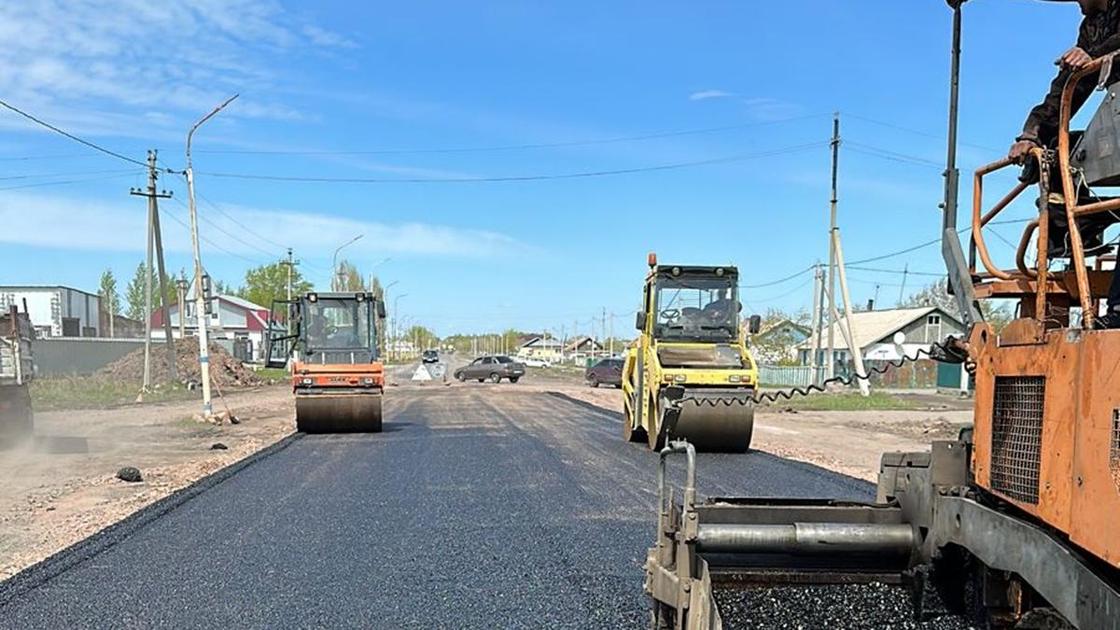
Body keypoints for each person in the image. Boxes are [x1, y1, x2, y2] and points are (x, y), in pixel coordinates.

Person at [1009, 0, 1120, 328]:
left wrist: (1098, 57)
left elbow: (1096, 59)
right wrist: (1031, 134)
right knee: (1059, 151)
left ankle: (1117, 313)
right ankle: (1074, 233)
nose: (1078, 5)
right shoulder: (1092, 24)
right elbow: (1070, 85)